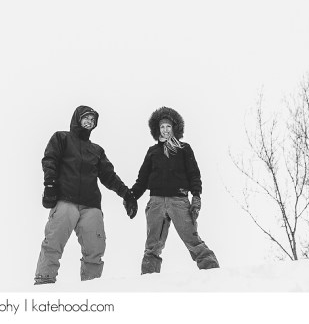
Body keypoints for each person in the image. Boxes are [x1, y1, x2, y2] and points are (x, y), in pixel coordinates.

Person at [34, 105, 138, 285]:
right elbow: (50, 160)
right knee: (53, 242)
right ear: (77, 118)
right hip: (66, 200)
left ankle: (91, 287)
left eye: (93, 120)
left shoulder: (96, 150)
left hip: (91, 205)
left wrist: (127, 194)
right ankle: (44, 282)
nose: (89, 122)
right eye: (86, 118)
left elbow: (109, 176)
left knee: (95, 248)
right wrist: (49, 184)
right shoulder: (62, 138)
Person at [130, 106, 220, 274]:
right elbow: (142, 179)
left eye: (168, 126)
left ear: (174, 128)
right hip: (156, 202)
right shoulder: (152, 152)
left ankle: (213, 274)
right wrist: (131, 196)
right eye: (162, 127)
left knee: (192, 240)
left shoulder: (184, 149)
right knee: (152, 246)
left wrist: (196, 196)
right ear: (157, 129)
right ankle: (149, 281)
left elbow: (194, 174)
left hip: (178, 201)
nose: (165, 130)